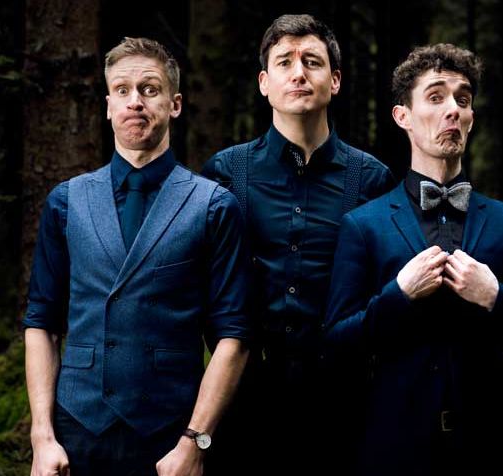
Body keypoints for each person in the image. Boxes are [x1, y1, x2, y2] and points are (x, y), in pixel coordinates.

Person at [325, 43, 503, 475]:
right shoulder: (364, 225)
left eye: (463, 99)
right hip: (394, 448)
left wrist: (497, 297)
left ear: (472, 116)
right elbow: (335, 346)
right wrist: (398, 296)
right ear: (403, 116)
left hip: (490, 448)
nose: (453, 110)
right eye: (436, 97)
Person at [22, 37, 250, 476]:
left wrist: (195, 441)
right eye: (122, 91)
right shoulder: (66, 202)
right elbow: (42, 323)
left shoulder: (214, 205)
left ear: (174, 104)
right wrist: (42, 438)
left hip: (170, 436)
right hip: (77, 433)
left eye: (149, 89)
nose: (135, 102)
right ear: (108, 106)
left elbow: (233, 336)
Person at [200, 14, 395, 474]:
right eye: (284, 62)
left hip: (344, 406)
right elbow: (205, 285)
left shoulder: (373, 179)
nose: (299, 73)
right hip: (246, 402)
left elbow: (383, 292)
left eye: (312, 61)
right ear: (264, 83)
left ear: (336, 80)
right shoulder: (225, 173)